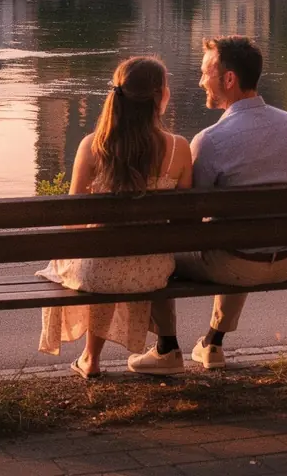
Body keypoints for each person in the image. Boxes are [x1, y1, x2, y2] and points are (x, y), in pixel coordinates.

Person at [128, 36, 287, 375]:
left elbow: (187, 222)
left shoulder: (211, 140)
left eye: (205, 74)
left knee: (153, 246)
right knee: (242, 232)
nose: (200, 82)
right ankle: (212, 343)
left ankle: (167, 348)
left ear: (228, 79)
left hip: (236, 262)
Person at [37, 57, 192, 378]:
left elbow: (72, 221)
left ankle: (90, 359)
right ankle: (139, 347)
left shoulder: (93, 147)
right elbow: (184, 223)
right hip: (152, 271)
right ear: (160, 95)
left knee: (98, 258)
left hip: (98, 273)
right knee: (120, 258)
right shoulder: (179, 148)